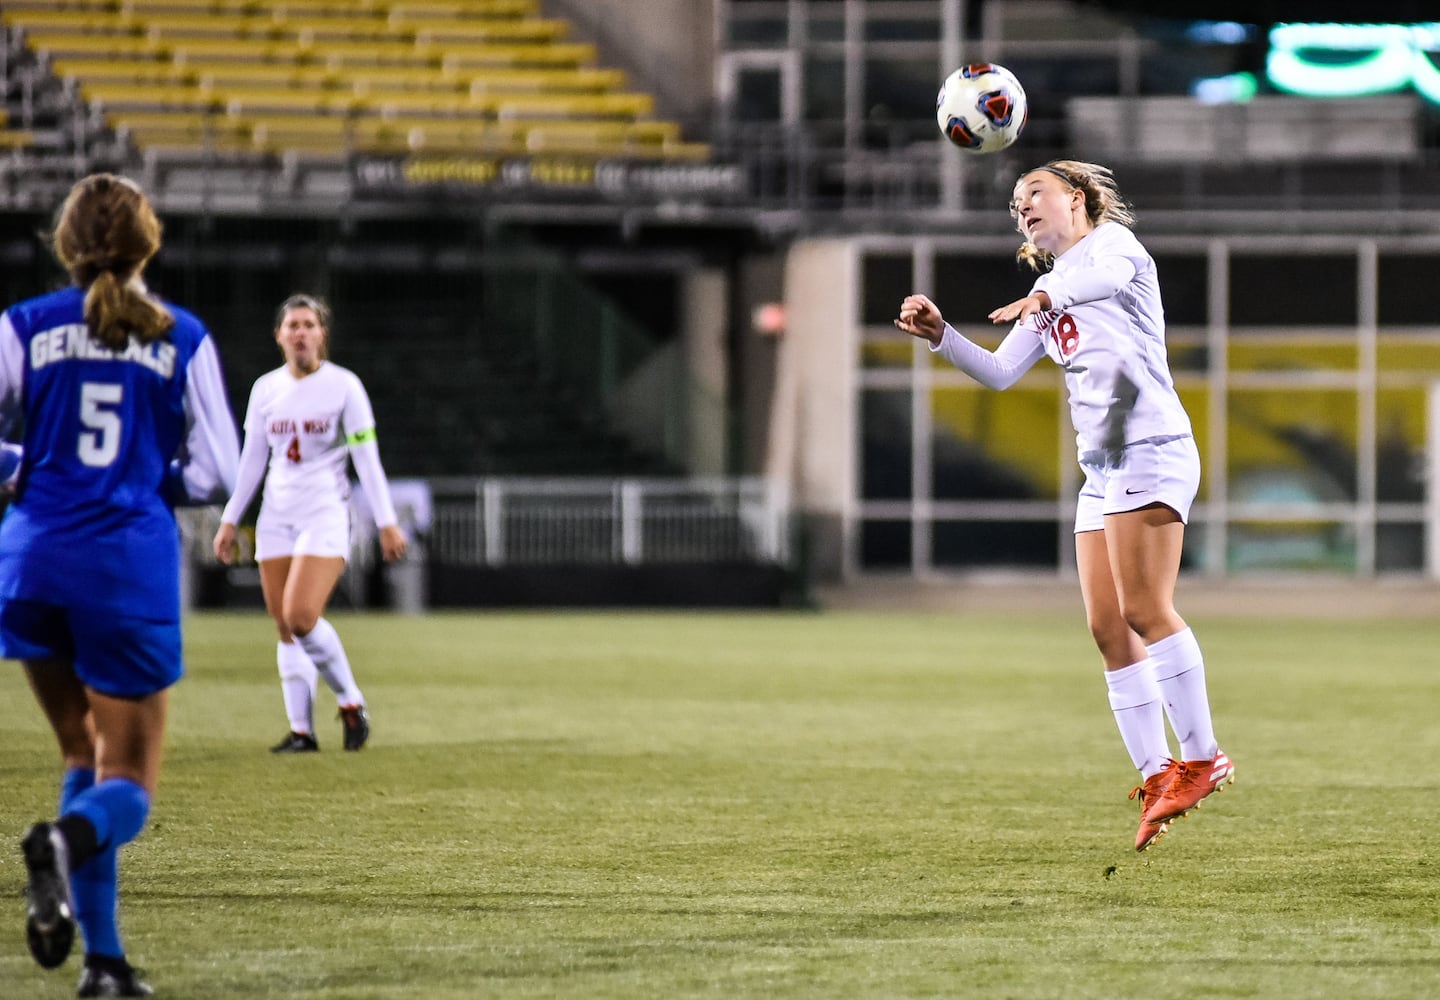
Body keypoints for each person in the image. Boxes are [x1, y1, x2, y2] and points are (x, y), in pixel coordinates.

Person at [894, 159, 1233, 854]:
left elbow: (1097, 282)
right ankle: (1158, 771)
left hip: (1152, 445)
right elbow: (998, 372)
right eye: (1015, 204)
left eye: (1035, 194)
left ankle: (1202, 758)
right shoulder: (1050, 285)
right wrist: (942, 336)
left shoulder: (1114, 250)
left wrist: (1045, 299)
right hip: (1104, 468)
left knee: (1146, 610)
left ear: (1075, 198)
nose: (1022, 208)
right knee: (1109, 628)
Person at [3, 173, 240, 997]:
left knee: (81, 749)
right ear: (149, 244)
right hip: (122, 567)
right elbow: (220, 471)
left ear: (67, 244)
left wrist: (20, 467)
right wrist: (147, 476)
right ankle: (62, 847)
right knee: (127, 783)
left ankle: (103, 965)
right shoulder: (183, 335)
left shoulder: (22, 325)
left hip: (30, 560)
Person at [212, 294, 407, 754]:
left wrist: (387, 521)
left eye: (309, 325)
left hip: (325, 512)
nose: (300, 333)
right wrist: (230, 519)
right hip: (277, 516)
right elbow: (252, 461)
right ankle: (302, 731)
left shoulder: (345, 387)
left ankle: (351, 701)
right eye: (292, 325)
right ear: (279, 336)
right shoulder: (266, 389)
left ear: (322, 334)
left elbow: (367, 459)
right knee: (284, 624)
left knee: (301, 616)